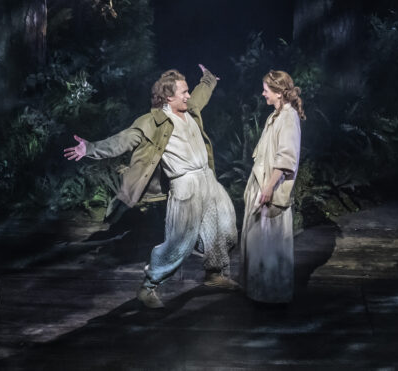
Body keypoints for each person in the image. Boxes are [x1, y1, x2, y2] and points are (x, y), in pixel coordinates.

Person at [64, 65, 239, 309]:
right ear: (168, 97)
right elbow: (122, 140)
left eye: (187, 91)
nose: (188, 96)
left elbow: (200, 95)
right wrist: (90, 148)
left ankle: (214, 273)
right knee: (179, 243)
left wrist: (209, 79)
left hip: (208, 179)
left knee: (225, 227)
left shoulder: (189, 110)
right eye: (183, 92)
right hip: (185, 186)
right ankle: (149, 286)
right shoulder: (151, 123)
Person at [239, 70, 304, 304]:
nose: (263, 93)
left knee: (271, 245)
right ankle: (259, 292)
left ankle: (273, 297)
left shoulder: (288, 118)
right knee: (260, 245)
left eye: (266, 90)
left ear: (278, 92)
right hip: (263, 185)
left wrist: (268, 188)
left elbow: (286, 158)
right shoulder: (275, 116)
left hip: (272, 188)